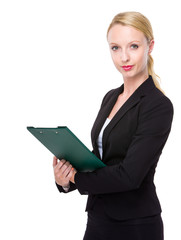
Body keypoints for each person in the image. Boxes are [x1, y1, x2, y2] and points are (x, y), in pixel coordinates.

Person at [53, 11, 173, 240]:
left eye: (134, 46)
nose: (124, 57)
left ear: (151, 46)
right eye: (115, 48)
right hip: (98, 219)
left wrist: (76, 178)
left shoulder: (158, 106)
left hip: (135, 225)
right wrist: (65, 179)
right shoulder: (110, 97)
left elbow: (130, 175)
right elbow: (101, 158)